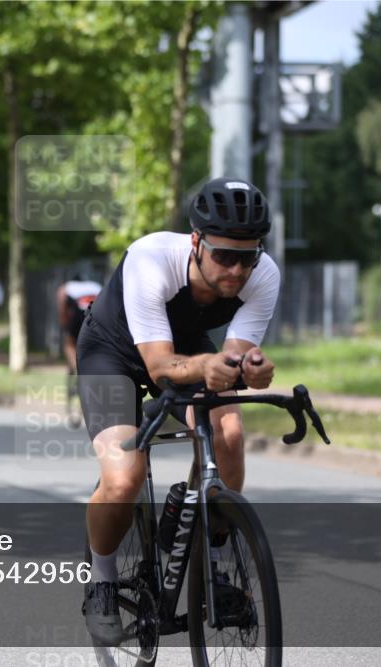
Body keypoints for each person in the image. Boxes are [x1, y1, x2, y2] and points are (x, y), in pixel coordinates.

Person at [77, 177, 280, 645]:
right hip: (114, 352)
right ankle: (103, 581)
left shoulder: (263, 273)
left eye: (246, 257)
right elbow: (159, 364)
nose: (235, 270)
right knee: (124, 476)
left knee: (227, 430)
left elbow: (232, 359)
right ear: (196, 242)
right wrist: (210, 365)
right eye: (223, 256)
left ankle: (212, 558)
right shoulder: (151, 259)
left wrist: (251, 368)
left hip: (188, 345)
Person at [56, 275, 102, 374]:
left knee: (69, 344)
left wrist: (65, 326)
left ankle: (79, 372)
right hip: (97, 311)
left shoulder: (66, 287)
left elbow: (62, 307)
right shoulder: (95, 285)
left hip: (78, 312)